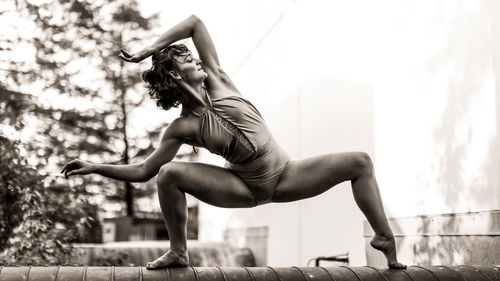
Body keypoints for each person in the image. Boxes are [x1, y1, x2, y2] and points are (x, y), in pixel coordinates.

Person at [61, 15, 406, 269]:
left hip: (287, 174)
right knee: (168, 173)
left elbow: (195, 23)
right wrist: (95, 167)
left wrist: (148, 49)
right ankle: (179, 250)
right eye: (187, 60)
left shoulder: (219, 78)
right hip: (245, 188)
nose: (197, 59)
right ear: (175, 75)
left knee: (360, 162)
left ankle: (383, 237)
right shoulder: (183, 127)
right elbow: (143, 171)